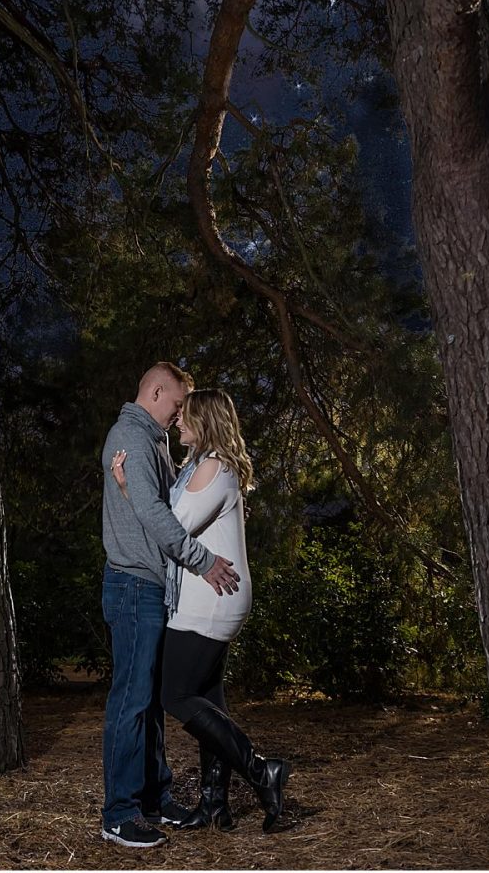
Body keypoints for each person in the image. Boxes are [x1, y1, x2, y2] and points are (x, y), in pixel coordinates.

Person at [113, 388, 290, 833]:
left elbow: (171, 528)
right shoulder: (198, 464)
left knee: (174, 695)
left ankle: (261, 770)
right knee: (208, 697)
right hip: (211, 599)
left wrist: (130, 492)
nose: (177, 421)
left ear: (205, 421)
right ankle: (215, 804)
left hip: (210, 601)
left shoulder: (214, 466)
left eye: (186, 415)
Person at [99, 363, 240, 849]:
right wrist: (202, 561)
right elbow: (157, 515)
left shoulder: (154, 441)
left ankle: (156, 797)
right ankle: (119, 812)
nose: (181, 413)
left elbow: (152, 504)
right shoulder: (131, 439)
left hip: (153, 587)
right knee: (131, 701)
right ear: (156, 391)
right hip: (133, 584)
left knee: (152, 703)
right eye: (178, 403)